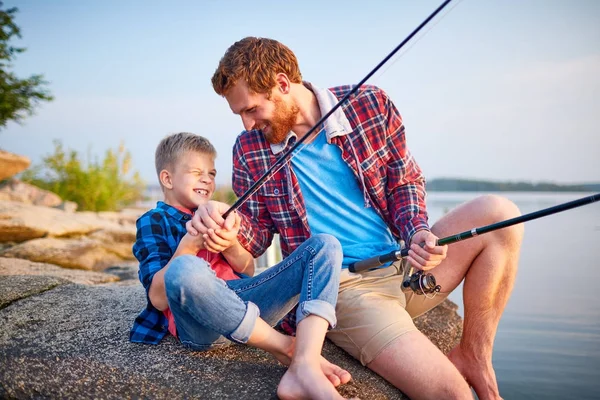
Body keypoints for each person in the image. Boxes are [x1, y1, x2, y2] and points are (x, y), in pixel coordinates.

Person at [191, 37, 524, 400]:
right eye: (239, 114)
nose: (247, 123)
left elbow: (403, 181)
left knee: (501, 214)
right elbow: (255, 238)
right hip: (344, 291)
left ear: (283, 84)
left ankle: (474, 353)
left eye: (251, 109)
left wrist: (418, 232)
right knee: (453, 395)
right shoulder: (250, 148)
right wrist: (227, 229)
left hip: (402, 266)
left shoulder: (370, 104)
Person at [130, 132, 352, 399]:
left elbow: (246, 270)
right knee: (184, 268)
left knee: (325, 245)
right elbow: (157, 298)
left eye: (211, 173)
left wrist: (230, 243)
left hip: (244, 304)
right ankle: (287, 347)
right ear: (167, 179)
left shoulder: (216, 215)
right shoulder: (153, 220)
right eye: (196, 172)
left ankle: (306, 362)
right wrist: (190, 245)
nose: (206, 179)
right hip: (199, 323)